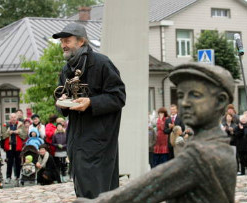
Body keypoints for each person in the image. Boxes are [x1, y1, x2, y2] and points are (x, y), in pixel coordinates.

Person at [75, 63, 236, 203]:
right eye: (180, 95)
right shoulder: (221, 146)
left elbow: (143, 190)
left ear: (221, 101)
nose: (184, 103)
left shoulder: (200, 155)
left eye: (195, 95)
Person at [53, 23, 126, 199]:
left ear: (81, 41)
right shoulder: (66, 69)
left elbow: (118, 96)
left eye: (67, 40)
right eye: (62, 41)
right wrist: (61, 103)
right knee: (83, 189)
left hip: (100, 140)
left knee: (99, 189)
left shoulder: (102, 63)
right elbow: (61, 96)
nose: (63, 44)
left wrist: (91, 103)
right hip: (76, 140)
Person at [2, 113, 27, 185]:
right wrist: (8, 133)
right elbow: (3, 135)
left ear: (17, 117)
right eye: (12, 117)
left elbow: (25, 136)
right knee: (9, 162)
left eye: (14, 117)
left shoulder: (21, 125)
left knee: (18, 162)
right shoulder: (6, 125)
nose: (13, 118)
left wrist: (18, 132)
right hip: (9, 146)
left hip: (18, 146)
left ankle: (18, 177)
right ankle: (8, 177)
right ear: (9, 118)